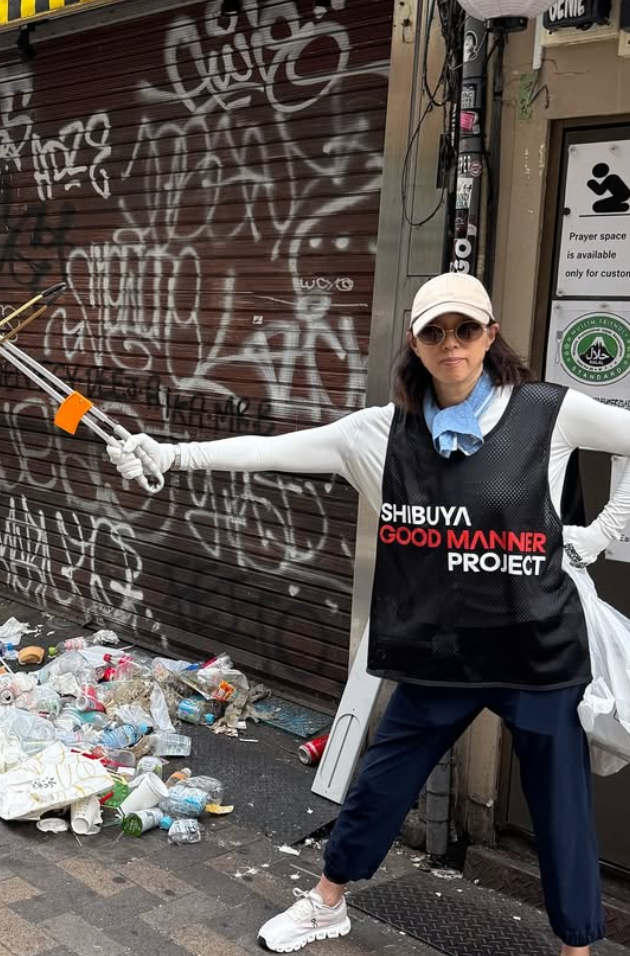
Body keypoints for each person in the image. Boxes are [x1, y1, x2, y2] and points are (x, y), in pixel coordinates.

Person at [108, 272, 630, 956]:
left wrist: (601, 532)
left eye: (466, 329)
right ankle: (329, 903)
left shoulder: (546, 412)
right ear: (413, 342)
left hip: (536, 651)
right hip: (437, 652)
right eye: (435, 331)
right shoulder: (377, 435)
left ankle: (576, 947)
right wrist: (171, 455)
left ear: (490, 336)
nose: (452, 344)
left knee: (561, 808)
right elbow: (269, 451)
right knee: (383, 782)